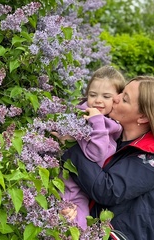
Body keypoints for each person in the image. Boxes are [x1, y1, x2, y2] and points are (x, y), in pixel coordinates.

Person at [61, 76, 154, 239]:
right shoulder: (113, 137)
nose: (115, 98)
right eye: (121, 91)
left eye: (124, 99)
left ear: (143, 118)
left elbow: (107, 189)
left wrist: (71, 146)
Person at [55, 66, 126, 230]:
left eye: (106, 96)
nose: (98, 100)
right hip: (65, 187)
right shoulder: (85, 120)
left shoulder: (111, 125)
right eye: (93, 95)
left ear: (117, 99)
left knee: (80, 229)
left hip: (81, 192)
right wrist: (97, 121)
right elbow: (95, 153)